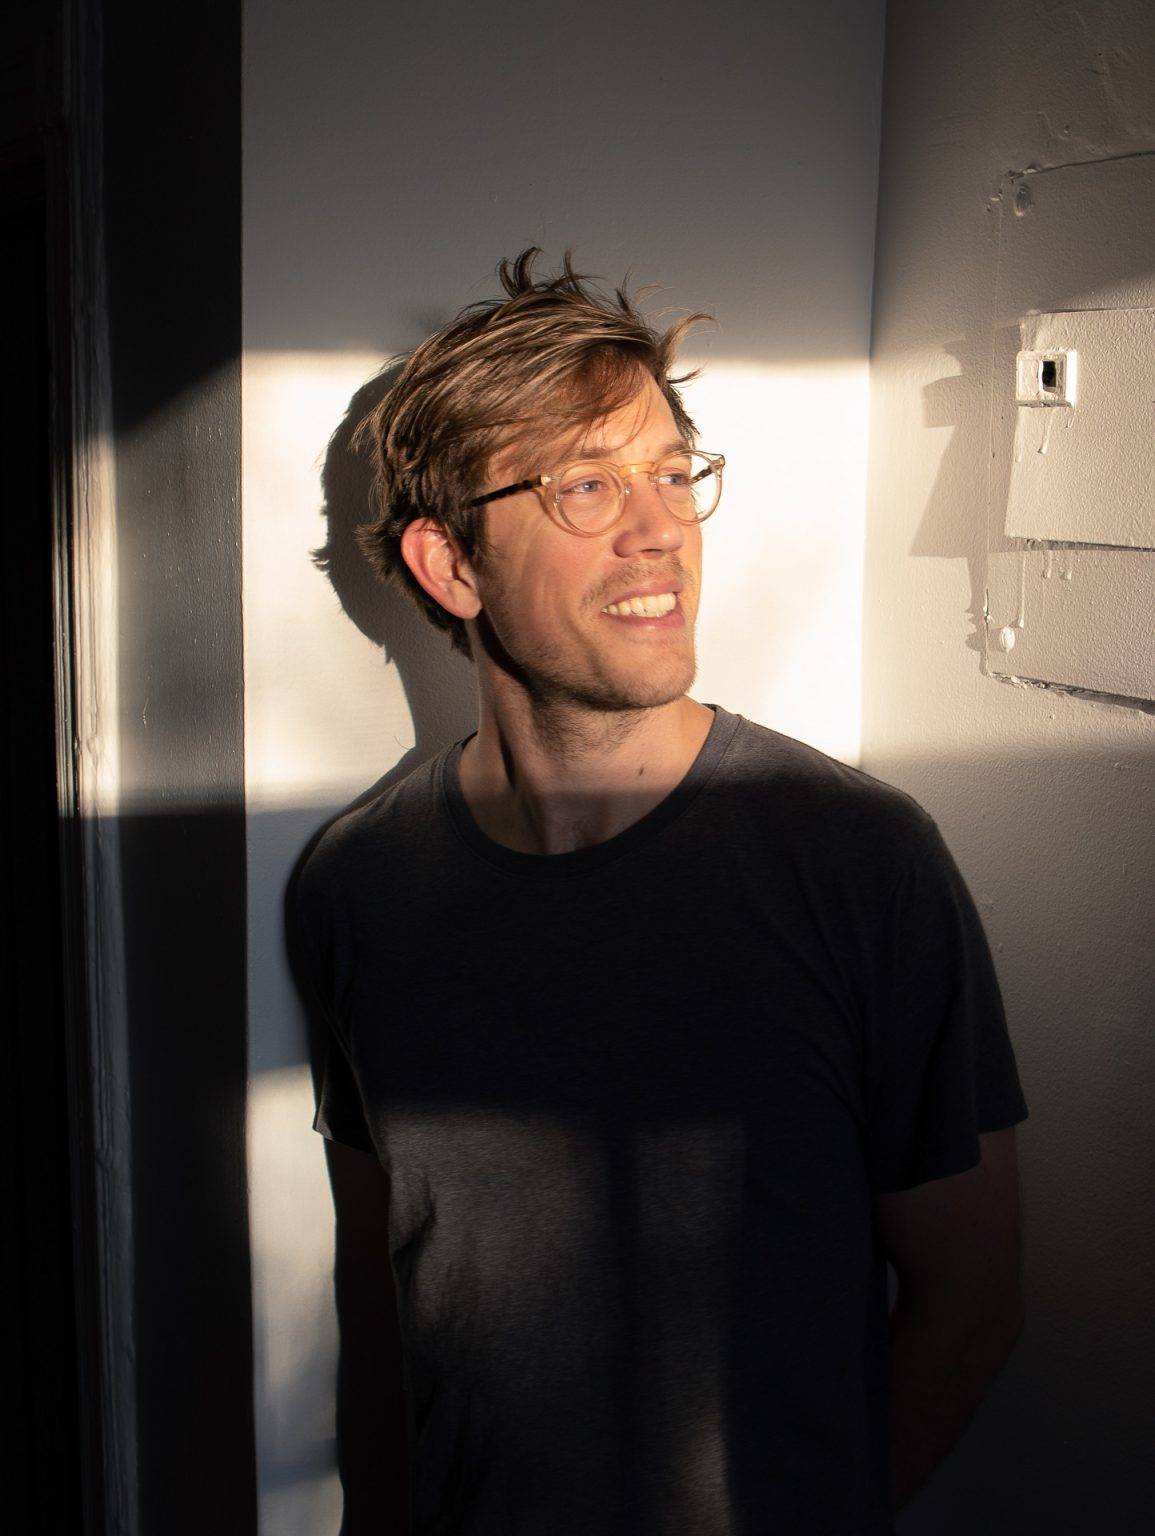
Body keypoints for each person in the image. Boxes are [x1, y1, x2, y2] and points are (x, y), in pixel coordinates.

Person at [291, 248, 1029, 1536]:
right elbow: (382, 1286)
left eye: (673, 475)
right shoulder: (359, 884)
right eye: (586, 485)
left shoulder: (857, 858)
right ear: (451, 566)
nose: (662, 530)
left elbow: (969, 1298)